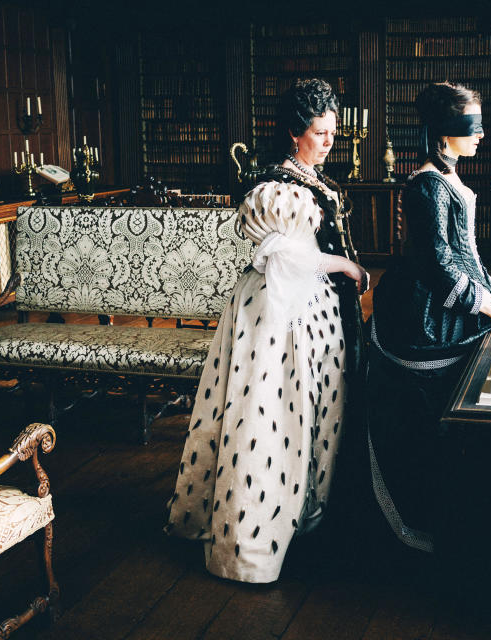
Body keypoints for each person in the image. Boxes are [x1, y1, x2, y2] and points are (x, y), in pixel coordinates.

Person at [167, 78, 367, 583]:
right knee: (275, 412)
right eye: (320, 132)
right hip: (282, 317)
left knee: (316, 412)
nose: (329, 140)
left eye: (333, 131)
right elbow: (287, 258)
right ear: (296, 133)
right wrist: (343, 265)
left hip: (316, 312)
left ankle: (303, 514)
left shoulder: (312, 178)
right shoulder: (280, 188)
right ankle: (254, 537)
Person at [366, 82, 491, 556]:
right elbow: (436, 263)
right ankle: (440, 515)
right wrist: (483, 305)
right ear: (445, 133)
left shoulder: (447, 180)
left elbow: (465, 252)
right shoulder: (427, 185)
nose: (482, 135)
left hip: (449, 298)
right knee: (440, 416)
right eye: (473, 126)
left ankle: (473, 506)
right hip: (423, 314)